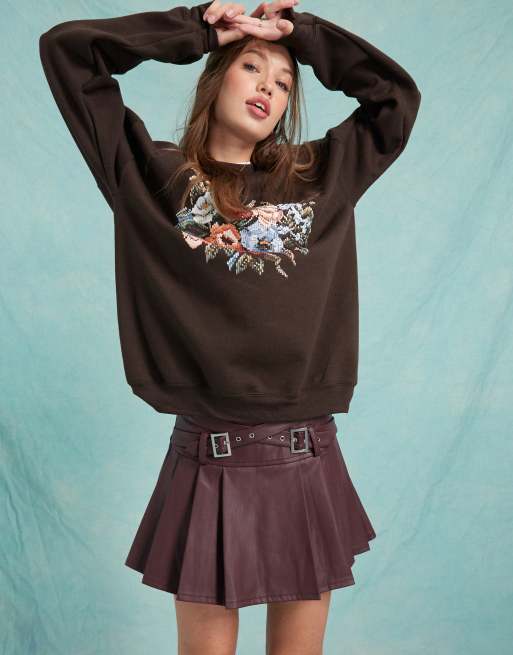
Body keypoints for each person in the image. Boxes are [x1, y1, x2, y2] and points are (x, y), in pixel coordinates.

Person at [39, 1, 421, 653]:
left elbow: (394, 101)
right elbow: (67, 53)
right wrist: (195, 30)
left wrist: (303, 35)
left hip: (305, 452)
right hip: (208, 455)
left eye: (283, 82)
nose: (268, 86)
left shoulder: (319, 176)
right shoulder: (153, 176)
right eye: (251, 67)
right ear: (216, 78)